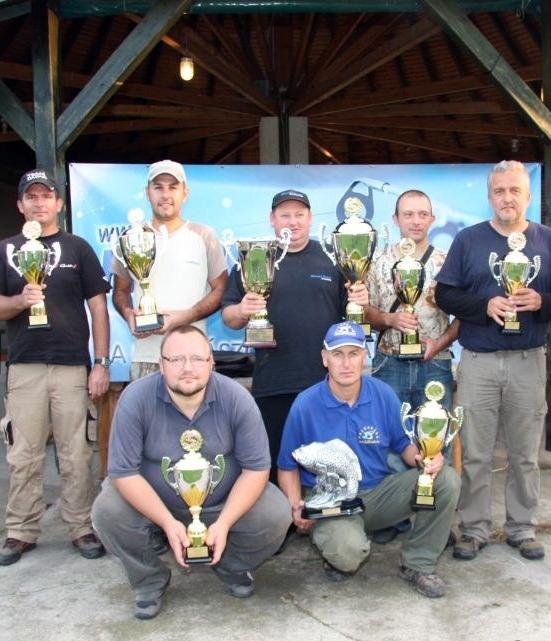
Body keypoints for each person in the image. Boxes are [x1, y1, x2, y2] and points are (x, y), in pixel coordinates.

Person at [91, 325, 290, 619]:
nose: (188, 368)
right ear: (161, 365)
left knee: (276, 513)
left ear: (211, 362)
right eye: (176, 360)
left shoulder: (236, 398)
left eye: (197, 359)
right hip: (156, 503)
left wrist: (223, 524)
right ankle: (149, 579)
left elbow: (256, 470)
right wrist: (168, 523)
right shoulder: (135, 399)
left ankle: (230, 565)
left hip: (218, 505)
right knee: (106, 509)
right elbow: (122, 472)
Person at [434, 160, 551, 562]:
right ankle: (474, 528)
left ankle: (522, 527)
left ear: (528, 196)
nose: (507, 198)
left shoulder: (548, 240)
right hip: (478, 360)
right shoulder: (468, 240)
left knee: (524, 453)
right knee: (475, 453)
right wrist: (484, 305)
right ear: (489, 196)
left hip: (529, 360)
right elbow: (445, 294)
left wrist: (542, 301)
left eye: (514, 190)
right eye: (499, 191)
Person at [0, 168, 111, 566]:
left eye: (46, 196)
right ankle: (21, 530)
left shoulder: (78, 248)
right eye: (31, 197)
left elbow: (98, 308)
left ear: (59, 203)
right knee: (24, 454)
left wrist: (101, 362)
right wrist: (20, 301)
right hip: (25, 368)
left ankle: (81, 525)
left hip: (73, 366)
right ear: (20, 204)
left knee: (76, 453)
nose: (40, 203)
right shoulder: (5, 250)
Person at [277, 322, 461, 598]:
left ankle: (417, 563)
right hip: (331, 500)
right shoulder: (305, 404)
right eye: (338, 355)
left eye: (354, 353)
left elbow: (403, 445)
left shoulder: (383, 394)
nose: (346, 363)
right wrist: (295, 506)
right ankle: (336, 545)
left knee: (445, 479)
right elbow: (287, 466)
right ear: (324, 359)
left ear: (365, 356)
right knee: (348, 554)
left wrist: (425, 458)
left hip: (377, 493)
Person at [221, 189, 369, 480]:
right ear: (272, 220)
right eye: (285, 215)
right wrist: (243, 309)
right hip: (274, 383)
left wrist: (361, 300)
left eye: (299, 214)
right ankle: (284, 524)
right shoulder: (252, 256)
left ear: (310, 218)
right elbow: (229, 318)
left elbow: (353, 318)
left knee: (328, 463)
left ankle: (325, 522)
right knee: (278, 463)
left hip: (327, 384)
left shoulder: (332, 258)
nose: (293, 221)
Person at [364, 189, 458, 543]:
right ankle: (394, 516)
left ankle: (433, 521)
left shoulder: (448, 261)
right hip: (389, 361)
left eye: (422, 214)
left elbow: (463, 315)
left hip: (434, 364)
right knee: (390, 441)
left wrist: (440, 343)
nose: (415, 221)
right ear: (396, 219)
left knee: (436, 443)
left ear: (432, 220)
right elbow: (365, 313)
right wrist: (389, 318)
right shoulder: (378, 261)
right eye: (408, 214)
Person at [112, 160, 228, 380]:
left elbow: (221, 289)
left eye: (173, 187)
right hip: (146, 358)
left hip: (193, 361)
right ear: (147, 193)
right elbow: (120, 290)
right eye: (158, 187)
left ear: (185, 193)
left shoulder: (204, 236)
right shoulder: (130, 238)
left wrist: (187, 316)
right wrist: (128, 314)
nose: (165, 195)